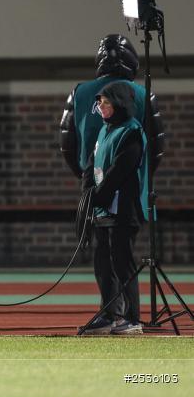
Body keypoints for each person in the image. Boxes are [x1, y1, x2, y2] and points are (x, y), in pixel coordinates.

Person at [80, 81, 150, 335]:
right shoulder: (104, 131)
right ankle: (109, 314)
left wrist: (99, 195)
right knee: (103, 265)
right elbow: (92, 163)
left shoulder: (131, 132)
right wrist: (88, 192)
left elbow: (120, 170)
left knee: (122, 263)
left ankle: (132, 318)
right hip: (103, 211)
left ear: (119, 104)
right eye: (99, 102)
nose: (101, 106)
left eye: (106, 102)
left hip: (123, 211)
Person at [60, 34, 165, 181]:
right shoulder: (144, 95)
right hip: (131, 184)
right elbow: (156, 148)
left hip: (92, 182)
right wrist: (142, 180)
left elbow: (67, 147)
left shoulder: (78, 94)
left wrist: (84, 177)